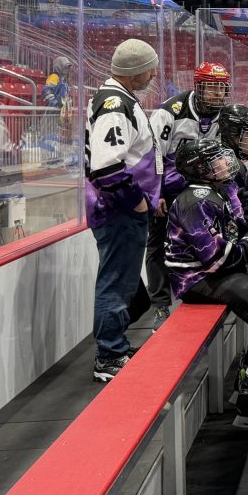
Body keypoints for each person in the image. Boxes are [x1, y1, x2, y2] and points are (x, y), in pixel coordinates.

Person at [164, 139, 248, 431]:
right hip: (198, 279)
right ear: (199, 169)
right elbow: (216, 259)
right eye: (215, 161)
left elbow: (233, 232)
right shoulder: (197, 200)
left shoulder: (214, 193)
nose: (224, 164)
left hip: (211, 275)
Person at [85, 38, 161, 383]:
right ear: (135, 72)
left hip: (122, 210)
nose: (154, 74)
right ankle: (109, 355)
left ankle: (116, 346)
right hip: (118, 211)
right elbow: (106, 168)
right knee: (115, 284)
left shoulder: (121, 99)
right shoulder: (115, 105)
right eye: (149, 68)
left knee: (124, 282)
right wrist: (136, 200)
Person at [148, 61, 232, 329]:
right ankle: (160, 304)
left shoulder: (224, 116)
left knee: (208, 240)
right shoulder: (170, 112)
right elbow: (153, 153)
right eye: (212, 87)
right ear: (198, 86)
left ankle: (204, 290)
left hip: (202, 191)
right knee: (158, 243)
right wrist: (156, 192)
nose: (218, 93)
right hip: (169, 189)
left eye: (222, 88)